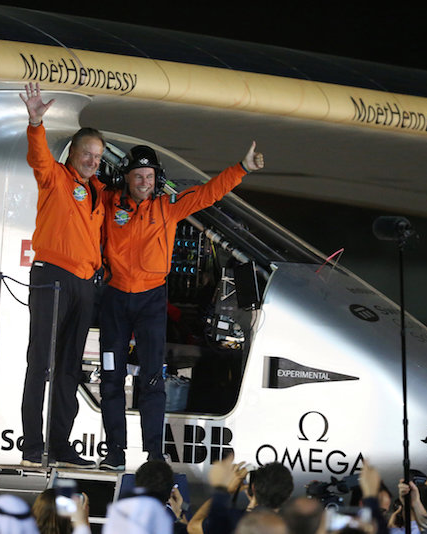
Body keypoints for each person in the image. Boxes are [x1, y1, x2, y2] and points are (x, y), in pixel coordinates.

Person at [98, 143, 264, 469]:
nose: (144, 182)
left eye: (149, 176)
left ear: (157, 179)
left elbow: (208, 194)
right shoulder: (107, 202)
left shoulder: (167, 207)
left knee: (152, 380)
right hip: (114, 300)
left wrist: (241, 168)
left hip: (150, 302)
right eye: (138, 176)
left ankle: (154, 457)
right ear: (126, 177)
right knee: (110, 379)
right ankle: (114, 453)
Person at [18, 82, 106, 468]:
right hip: (51, 276)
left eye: (98, 157)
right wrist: (36, 122)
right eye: (87, 153)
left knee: (70, 367)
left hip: (84, 285)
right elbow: (38, 158)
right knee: (42, 363)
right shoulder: (54, 177)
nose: (92, 161)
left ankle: (60, 444)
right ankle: (33, 444)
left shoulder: (100, 193)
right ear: (72, 153)